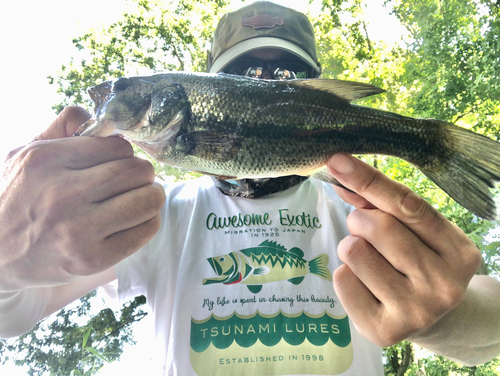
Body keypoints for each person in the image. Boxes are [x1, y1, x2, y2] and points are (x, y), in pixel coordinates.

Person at [1, 1, 500, 375]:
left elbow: (492, 326)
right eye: (244, 77)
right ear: (213, 85)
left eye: (285, 78)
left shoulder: (361, 215)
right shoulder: (147, 215)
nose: (264, 82)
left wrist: (443, 315)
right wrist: (5, 255)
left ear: (316, 90)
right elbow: (14, 315)